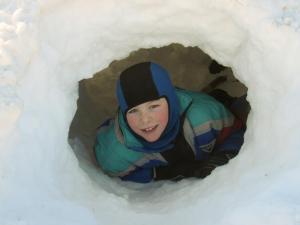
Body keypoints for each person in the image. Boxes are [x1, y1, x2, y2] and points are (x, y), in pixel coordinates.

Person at [94, 62, 247, 183]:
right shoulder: (116, 154)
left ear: (171, 101)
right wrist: (165, 173)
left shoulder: (205, 117)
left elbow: (236, 130)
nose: (145, 119)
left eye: (153, 106)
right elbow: (116, 172)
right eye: (133, 111)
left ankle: (220, 95)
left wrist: (224, 154)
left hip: (204, 104)